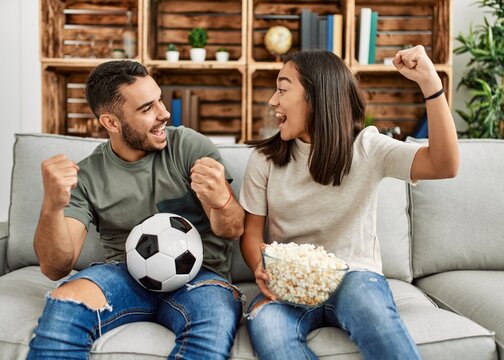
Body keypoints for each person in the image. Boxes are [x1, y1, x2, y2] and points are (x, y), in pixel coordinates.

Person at [239, 46, 459, 359]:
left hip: (354, 276)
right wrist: (260, 265)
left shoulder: (368, 148)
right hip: (291, 283)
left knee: (373, 314)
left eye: (282, 89)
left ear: (316, 99)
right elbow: (251, 235)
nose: (273, 100)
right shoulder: (264, 159)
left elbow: (444, 165)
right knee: (267, 325)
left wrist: (430, 84)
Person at [28, 60, 245, 360]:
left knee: (215, 323)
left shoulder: (189, 147)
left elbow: (231, 229)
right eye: (147, 108)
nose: (164, 113)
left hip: (201, 277)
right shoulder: (89, 175)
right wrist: (51, 206)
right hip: (126, 275)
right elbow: (55, 268)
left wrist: (222, 200)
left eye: (159, 100)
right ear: (111, 123)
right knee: (66, 301)